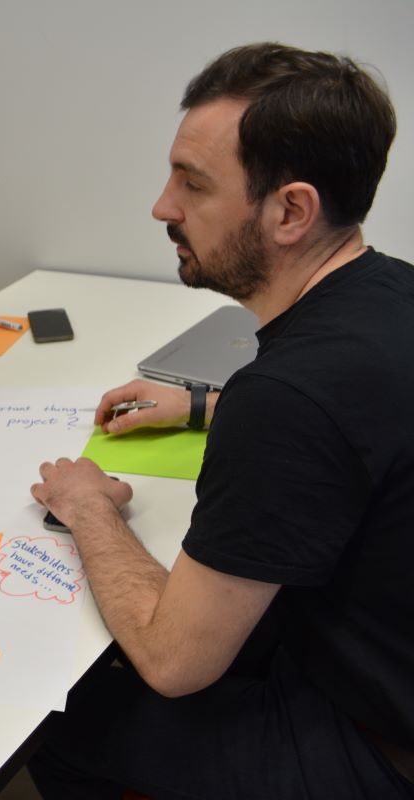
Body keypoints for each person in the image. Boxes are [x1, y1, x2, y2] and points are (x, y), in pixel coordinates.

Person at [27, 43, 413, 798]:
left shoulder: (288, 400)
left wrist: (88, 507)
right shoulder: (391, 290)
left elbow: (174, 661)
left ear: (291, 211)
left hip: (380, 747)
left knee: (66, 722)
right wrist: (203, 403)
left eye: (193, 183)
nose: (162, 206)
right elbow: (350, 423)